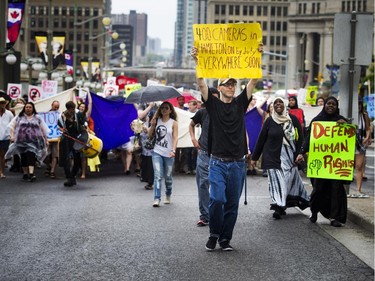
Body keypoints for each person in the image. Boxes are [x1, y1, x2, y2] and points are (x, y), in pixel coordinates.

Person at [191, 45, 261, 251]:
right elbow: (201, 84)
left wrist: (257, 54)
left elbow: (254, 80)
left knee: (232, 204)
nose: (231, 87)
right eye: (227, 84)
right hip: (218, 162)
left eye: (233, 84)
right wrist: (198, 62)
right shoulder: (212, 106)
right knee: (217, 198)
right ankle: (213, 233)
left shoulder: (240, 104)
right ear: (220, 88)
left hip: (238, 163)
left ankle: (225, 239)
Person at [251, 98, 310, 219]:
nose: (278, 104)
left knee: (286, 182)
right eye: (275, 103)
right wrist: (254, 157)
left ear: (285, 105)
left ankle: (283, 203)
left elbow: (300, 139)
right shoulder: (269, 121)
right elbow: (261, 139)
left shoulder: (293, 120)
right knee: (276, 182)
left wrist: (300, 153)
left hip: (290, 158)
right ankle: (278, 206)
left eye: (280, 102)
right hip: (272, 157)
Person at [296, 96, 348, 227]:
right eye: (328, 104)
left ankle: (334, 217)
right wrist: (301, 152)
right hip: (319, 164)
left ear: (337, 107)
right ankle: (314, 211)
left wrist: (345, 127)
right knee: (318, 189)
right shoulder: (317, 122)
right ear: (324, 106)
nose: (331, 106)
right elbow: (308, 139)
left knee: (335, 189)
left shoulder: (341, 121)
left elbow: (351, 139)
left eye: (333, 104)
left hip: (335, 165)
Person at [189, 87, 220, 227]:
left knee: (218, 185)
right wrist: (193, 139)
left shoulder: (224, 112)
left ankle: (217, 213)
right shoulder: (202, 112)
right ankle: (204, 215)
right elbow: (191, 125)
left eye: (216, 97)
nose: (213, 100)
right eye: (210, 97)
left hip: (221, 155)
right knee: (202, 184)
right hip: (204, 153)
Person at [6, 102, 49, 182]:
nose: (28, 109)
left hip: (33, 141)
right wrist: (12, 136)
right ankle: (25, 173)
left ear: (33, 109)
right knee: (23, 157)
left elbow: (43, 129)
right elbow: (12, 126)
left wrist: (46, 139)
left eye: (30, 107)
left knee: (31, 155)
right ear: (24, 108)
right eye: (26, 107)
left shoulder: (37, 117)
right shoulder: (19, 117)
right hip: (21, 141)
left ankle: (31, 174)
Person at [149, 101, 178, 207]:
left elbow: (175, 138)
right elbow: (149, 135)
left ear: (170, 110)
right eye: (162, 108)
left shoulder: (174, 123)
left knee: (168, 177)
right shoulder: (156, 121)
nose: (164, 110)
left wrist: (173, 150)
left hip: (169, 153)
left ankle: (168, 194)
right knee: (157, 176)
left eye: (166, 108)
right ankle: (156, 198)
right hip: (157, 151)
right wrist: (152, 126)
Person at [58, 101, 86, 187]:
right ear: (68, 109)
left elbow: (83, 123)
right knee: (66, 159)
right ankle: (69, 178)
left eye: (73, 109)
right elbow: (59, 126)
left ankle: (72, 176)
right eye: (71, 109)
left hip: (77, 138)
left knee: (77, 159)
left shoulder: (78, 114)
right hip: (67, 139)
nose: (72, 111)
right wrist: (62, 129)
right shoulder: (62, 116)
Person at [350, 99, 372, 198]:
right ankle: (347, 188)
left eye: (359, 105)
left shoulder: (364, 115)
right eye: (356, 105)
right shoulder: (348, 114)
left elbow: (368, 128)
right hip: (349, 142)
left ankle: (358, 189)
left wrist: (367, 137)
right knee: (349, 165)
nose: (358, 107)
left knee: (359, 166)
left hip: (360, 143)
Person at [138, 102, 156, 190]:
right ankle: (146, 178)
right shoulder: (142, 105)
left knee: (151, 160)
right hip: (143, 137)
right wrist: (150, 106)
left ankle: (151, 181)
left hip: (153, 135)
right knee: (144, 159)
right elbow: (140, 116)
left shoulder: (158, 106)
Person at [77, 91, 93, 179]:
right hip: (76, 136)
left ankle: (83, 173)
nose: (82, 108)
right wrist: (72, 91)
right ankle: (76, 171)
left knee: (83, 156)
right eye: (80, 106)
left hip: (84, 137)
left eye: (83, 107)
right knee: (75, 156)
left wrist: (88, 92)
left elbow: (90, 103)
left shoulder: (86, 115)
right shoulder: (74, 114)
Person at [44, 100, 60, 179]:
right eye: (55, 106)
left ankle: (52, 171)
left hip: (56, 139)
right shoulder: (45, 115)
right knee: (45, 155)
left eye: (57, 107)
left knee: (55, 155)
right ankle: (49, 166)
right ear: (51, 105)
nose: (56, 108)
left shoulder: (60, 115)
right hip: (47, 138)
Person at [0, 97, 14, 178]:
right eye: (0, 103)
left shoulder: (9, 114)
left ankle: (1, 172)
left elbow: (12, 125)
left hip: (5, 137)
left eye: (3, 103)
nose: (2, 105)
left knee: (2, 156)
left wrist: (12, 136)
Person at [186, 100, 199, 175]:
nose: (189, 107)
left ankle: (194, 167)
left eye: (191, 105)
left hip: (196, 136)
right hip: (188, 136)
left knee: (195, 152)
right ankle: (188, 167)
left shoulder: (198, 113)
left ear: (195, 106)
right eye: (189, 105)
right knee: (188, 152)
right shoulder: (186, 113)